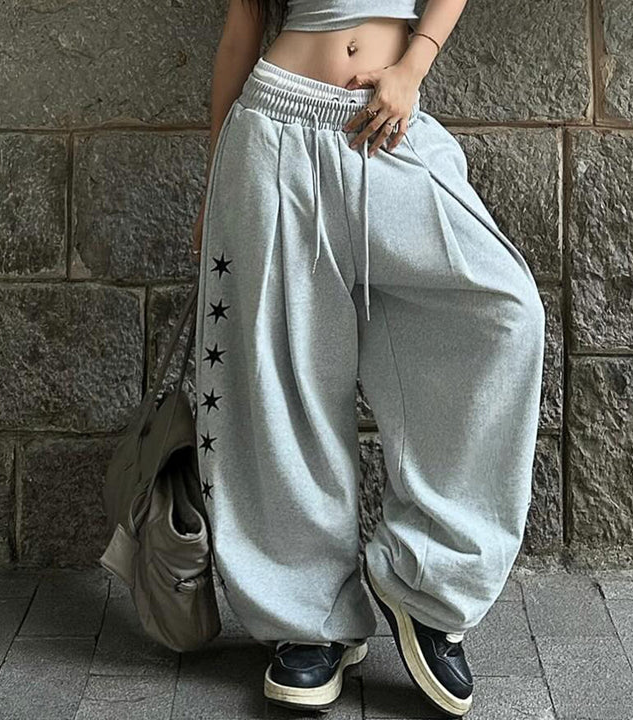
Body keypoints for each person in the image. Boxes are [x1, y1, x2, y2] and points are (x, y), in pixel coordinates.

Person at [190, 0, 545, 716]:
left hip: (385, 125)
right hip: (272, 127)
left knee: (506, 314)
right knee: (282, 377)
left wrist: (413, 65)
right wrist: (214, 183)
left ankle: (426, 584)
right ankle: (307, 619)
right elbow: (241, 28)